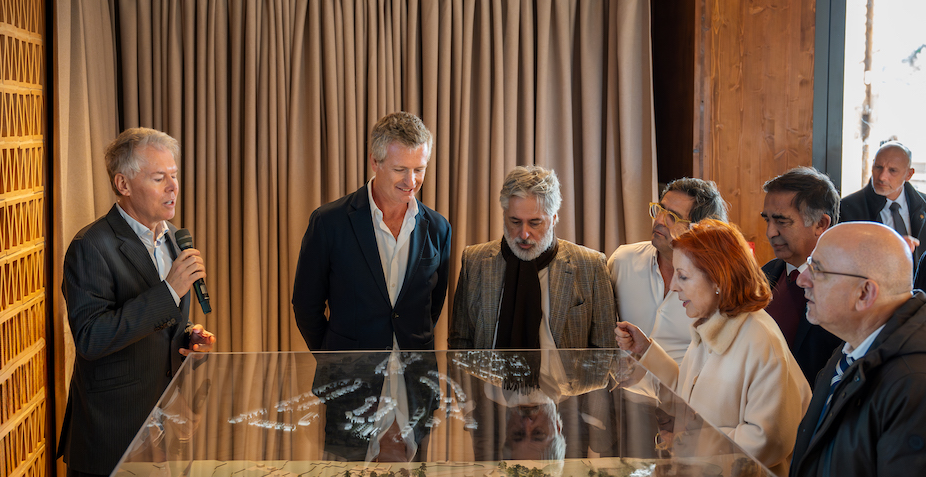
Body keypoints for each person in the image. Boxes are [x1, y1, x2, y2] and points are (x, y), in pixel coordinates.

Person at [61, 127, 216, 477]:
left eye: (174, 175)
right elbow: (92, 338)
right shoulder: (91, 246)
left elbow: (153, 324)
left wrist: (186, 338)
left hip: (161, 435)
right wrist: (168, 293)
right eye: (159, 178)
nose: (173, 188)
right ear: (123, 183)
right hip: (110, 440)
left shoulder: (170, 239)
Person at [787, 222, 926, 477]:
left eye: (818, 270)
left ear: (865, 293)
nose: (802, 280)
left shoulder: (915, 382)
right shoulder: (852, 345)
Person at [615, 220, 810, 477]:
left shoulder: (761, 340)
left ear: (718, 278)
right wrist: (647, 351)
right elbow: (691, 395)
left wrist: (691, 441)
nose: (673, 286)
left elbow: (768, 441)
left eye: (683, 276)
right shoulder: (711, 321)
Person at [292, 111, 451, 351]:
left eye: (419, 169)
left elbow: (433, 306)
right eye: (400, 169)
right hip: (348, 378)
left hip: (416, 378)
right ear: (375, 162)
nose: (411, 181)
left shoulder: (439, 227)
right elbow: (306, 306)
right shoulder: (328, 222)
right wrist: (332, 362)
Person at [448, 165, 617, 351]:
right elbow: (460, 343)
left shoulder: (590, 266)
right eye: (515, 221)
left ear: (553, 219)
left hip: (563, 381)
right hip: (489, 380)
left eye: (535, 223)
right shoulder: (474, 262)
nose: (524, 234)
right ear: (504, 215)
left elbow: (606, 351)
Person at [608, 178, 728, 365]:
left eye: (673, 216)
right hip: (624, 391)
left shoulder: (715, 285)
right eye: (660, 210)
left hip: (685, 392)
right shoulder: (622, 260)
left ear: (700, 229)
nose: (659, 220)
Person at [759, 167, 842, 388]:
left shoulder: (843, 288)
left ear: (821, 224)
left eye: (782, 221)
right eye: (767, 220)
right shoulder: (764, 273)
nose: (770, 232)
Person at [840, 141, 925, 265]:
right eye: (878, 167)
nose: (882, 177)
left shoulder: (923, 204)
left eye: (892, 170)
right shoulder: (847, 208)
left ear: (909, 174)